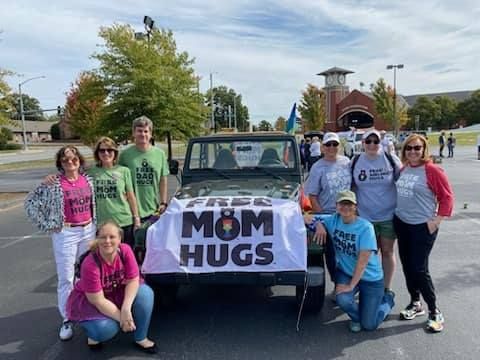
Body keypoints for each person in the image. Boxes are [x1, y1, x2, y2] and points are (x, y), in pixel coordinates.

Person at [24, 146, 96, 340]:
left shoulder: (88, 180)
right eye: (65, 160)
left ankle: (86, 310)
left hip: (88, 229)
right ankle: (67, 318)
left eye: (74, 159)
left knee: (86, 274)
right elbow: (30, 203)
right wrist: (48, 224)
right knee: (66, 278)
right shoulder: (55, 183)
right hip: (66, 232)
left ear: (80, 160)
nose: (70, 163)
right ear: (60, 164)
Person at [305, 190, 395, 332]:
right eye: (342, 204)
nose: (345, 207)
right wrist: (318, 224)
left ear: (355, 207)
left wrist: (351, 285)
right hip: (346, 272)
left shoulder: (366, 227)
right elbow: (306, 216)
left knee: (370, 325)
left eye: (349, 204)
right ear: (336, 206)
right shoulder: (332, 220)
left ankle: (388, 299)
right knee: (343, 299)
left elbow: (362, 261)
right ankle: (357, 317)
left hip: (370, 277)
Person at [393, 134, 454, 333]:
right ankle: (415, 303)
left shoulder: (432, 170)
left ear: (424, 149)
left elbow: (446, 197)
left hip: (422, 226)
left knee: (420, 269)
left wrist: (436, 221)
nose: (413, 151)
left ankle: (435, 311)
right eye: (409, 148)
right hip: (402, 224)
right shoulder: (404, 169)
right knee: (408, 266)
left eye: (417, 148)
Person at [66, 221, 157, 353]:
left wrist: (126, 309)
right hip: (93, 301)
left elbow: (133, 280)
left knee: (146, 294)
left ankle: (141, 337)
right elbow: (98, 300)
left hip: (116, 291)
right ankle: (92, 334)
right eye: (103, 237)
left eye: (112, 237)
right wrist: (123, 319)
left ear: (120, 238)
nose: (107, 241)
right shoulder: (90, 263)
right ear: (97, 239)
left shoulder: (125, 250)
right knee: (106, 329)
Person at [351, 129, 401, 293]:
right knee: (368, 254)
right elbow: (351, 186)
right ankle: (365, 285)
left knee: (387, 252)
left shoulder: (390, 159)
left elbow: (404, 181)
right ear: (363, 143)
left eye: (376, 141)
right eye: (368, 141)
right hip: (365, 217)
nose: (372, 144)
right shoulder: (356, 160)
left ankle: (386, 287)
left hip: (387, 215)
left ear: (380, 143)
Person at [304, 132, 351, 284]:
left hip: (349, 215)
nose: (332, 147)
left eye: (335, 144)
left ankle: (351, 285)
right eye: (328, 144)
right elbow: (312, 196)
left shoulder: (347, 162)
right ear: (323, 147)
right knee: (333, 254)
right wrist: (322, 219)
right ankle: (338, 285)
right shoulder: (318, 167)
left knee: (349, 253)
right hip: (329, 215)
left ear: (339, 146)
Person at [89, 137, 141, 248]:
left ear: (115, 153)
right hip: (102, 224)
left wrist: (136, 218)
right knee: (106, 259)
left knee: (125, 256)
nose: (106, 153)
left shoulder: (124, 171)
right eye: (102, 150)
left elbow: (131, 196)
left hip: (124, 221)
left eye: (109, 150)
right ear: (97, 153)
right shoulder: (90, 172)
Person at [118, 116, 170, 221]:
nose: (143, 134)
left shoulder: (160, 154)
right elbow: (120, 182)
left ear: (151, 134)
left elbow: (163, 180)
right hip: (130, 211)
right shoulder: (125, 155)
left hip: (153, 209)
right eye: (139, 131)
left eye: (146, 131)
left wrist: (163, 202)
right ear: (133, 133)